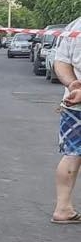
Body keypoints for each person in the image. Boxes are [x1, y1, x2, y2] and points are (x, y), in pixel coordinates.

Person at [50, 16, 81, 224]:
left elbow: (60, 62)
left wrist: (73, 85)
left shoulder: (75, 25)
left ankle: (62, 208)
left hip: (73, 103)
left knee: (72, 154)